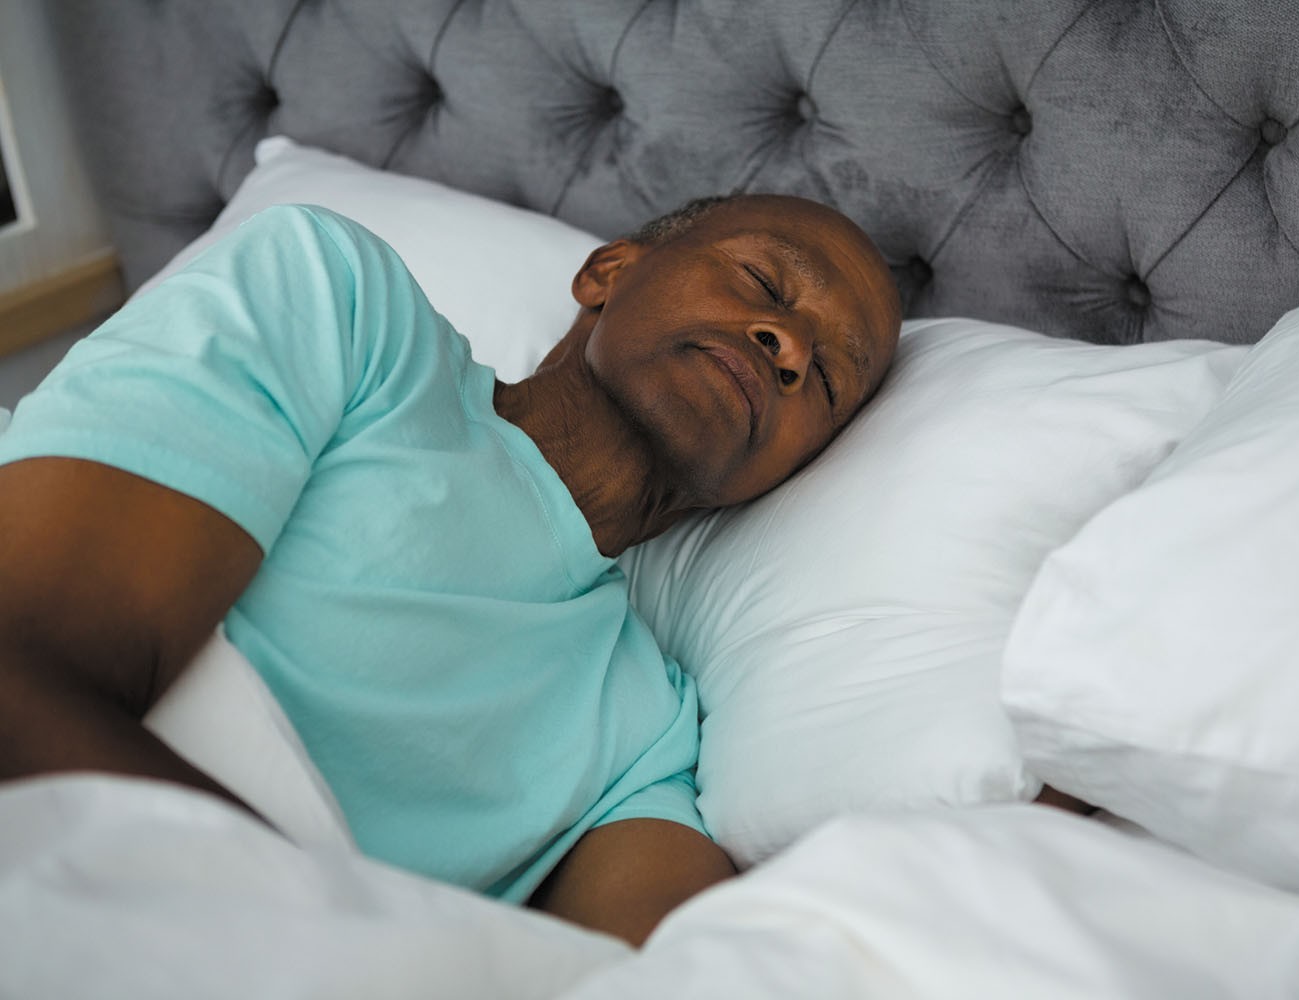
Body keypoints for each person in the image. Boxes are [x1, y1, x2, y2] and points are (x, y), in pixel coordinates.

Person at [0, 193, 902, 946]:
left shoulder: (645, 743)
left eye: (824, 382)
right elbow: (20, 669)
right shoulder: (343, 307)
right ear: (610, 271)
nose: (787, 346)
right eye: (765, 283)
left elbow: (687, 976)